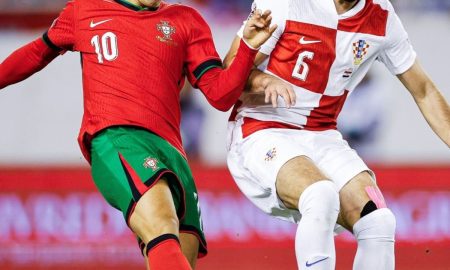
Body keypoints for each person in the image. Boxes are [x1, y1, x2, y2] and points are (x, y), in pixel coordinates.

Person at [0, 0, 276, 269]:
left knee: (175, 253)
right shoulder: (84, 10)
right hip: (118, 139)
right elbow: (36, 53)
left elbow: (220, 95)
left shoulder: (187, 20)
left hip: (173, 156)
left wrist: (249, 46)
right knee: (161, 225)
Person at [224, 0, 450, 269]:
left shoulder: (382, 18)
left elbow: (424, 91)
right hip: (261, 128)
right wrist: (263, 80)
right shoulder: (286, 3)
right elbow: (227, 73)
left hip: (322, 134)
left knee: (378, 221)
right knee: (321, 194)